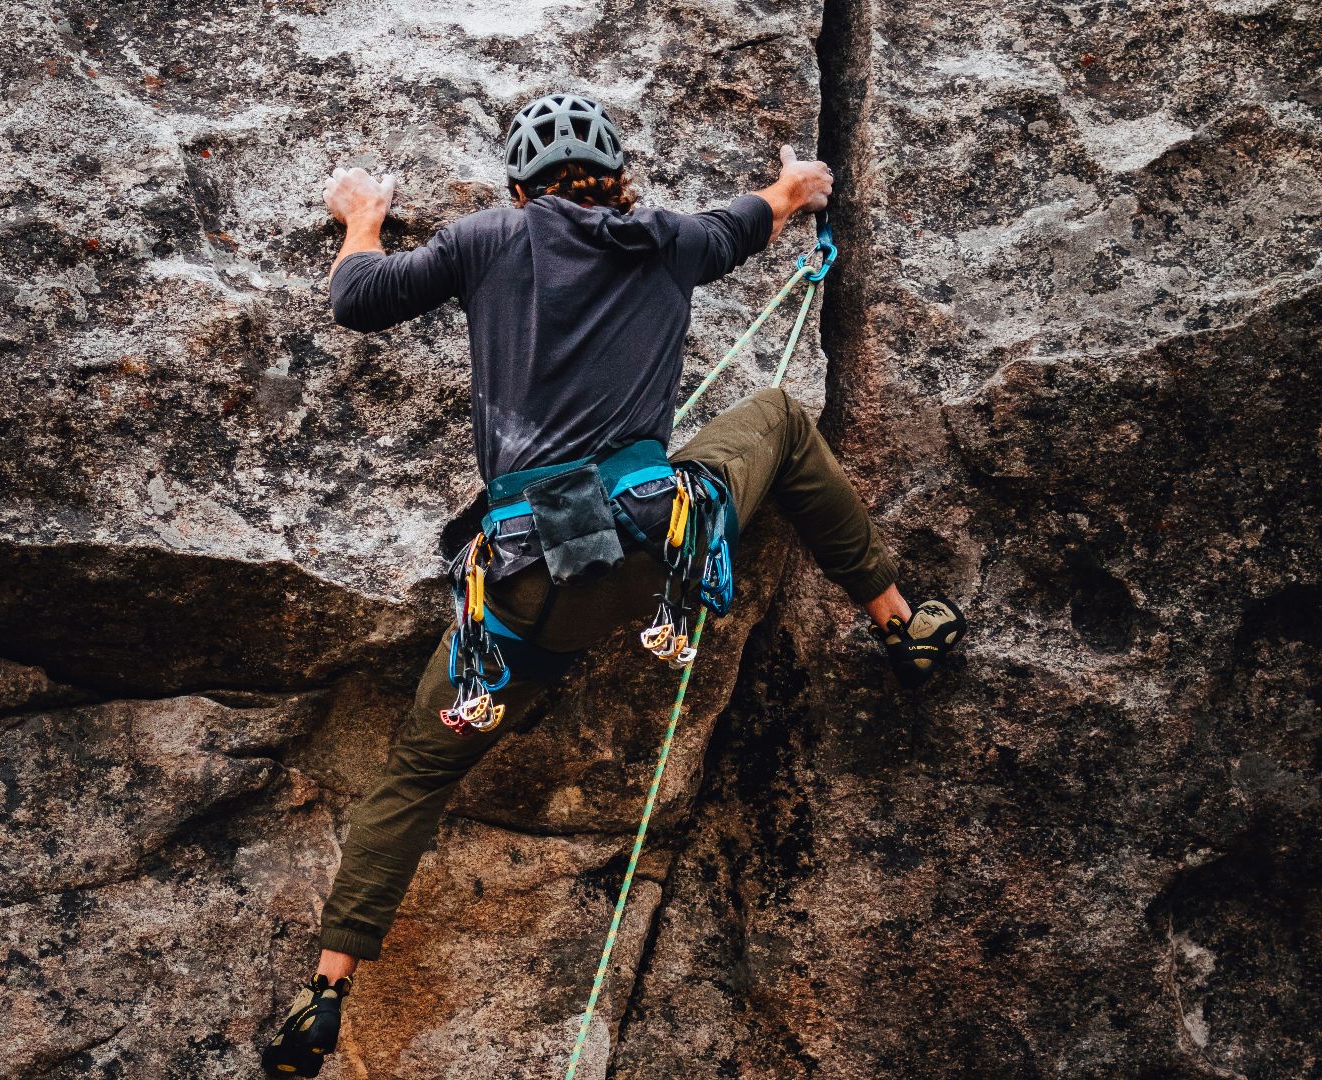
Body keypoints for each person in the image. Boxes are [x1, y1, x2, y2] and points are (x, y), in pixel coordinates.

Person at [261, 92, 966, 1076]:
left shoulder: (486, 240)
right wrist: (799, 185)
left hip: (516, 593)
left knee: (417, 775)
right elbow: (767, 209)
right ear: (615, 175)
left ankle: (325, 989)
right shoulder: (668, 241)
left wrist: (363, 217)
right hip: (647, 550)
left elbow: (357, 297)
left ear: (521, 185)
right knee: (777, 421)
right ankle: (902, 624)